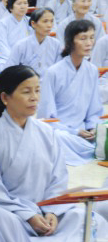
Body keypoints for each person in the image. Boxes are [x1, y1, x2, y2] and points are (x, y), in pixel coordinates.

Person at [0, 64, 108, 242]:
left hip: (48, 211)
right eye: (26, 92)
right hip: (13, 215)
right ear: (5, 98)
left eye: (37, 90)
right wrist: (28, 216)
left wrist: (52, 211)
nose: (34, 97)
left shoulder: (46, 132)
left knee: (88, 220)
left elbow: (58, 179)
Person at [38, 20, 101, 165]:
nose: (89, 43)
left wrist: (93, 128)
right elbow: (46, 118)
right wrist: (75, 132)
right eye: (83, 38)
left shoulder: (92, 70)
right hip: (61, 132)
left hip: (84, 132)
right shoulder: (53, 72)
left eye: (92, 37)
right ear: (70, 42)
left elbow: (94, 110)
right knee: (55, 138)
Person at [6, 8, 62, 75]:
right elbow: (9, 70)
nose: (49, 25)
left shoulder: (56, 44)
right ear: (33, 24)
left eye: (52, 21)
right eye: (45, 21)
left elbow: (59, 69)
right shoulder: (21, 45)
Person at [0, 0, 33, 74]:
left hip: (26, 58)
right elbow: (2, 45)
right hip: (6, 58)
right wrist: (15, 59)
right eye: (19, 3)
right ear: (11, 8)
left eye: (25, 3)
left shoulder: (30, 21)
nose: (23, 6)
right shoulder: (3, 23)